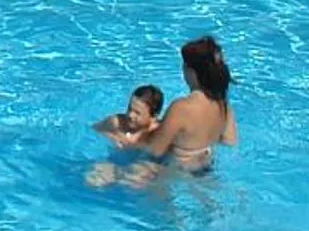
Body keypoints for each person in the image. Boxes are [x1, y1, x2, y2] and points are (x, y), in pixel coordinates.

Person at [140, 36, 238, 172]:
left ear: (191, 72)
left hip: (176, 174)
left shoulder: (181, 108)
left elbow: (154, 152)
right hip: (206, 173)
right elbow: (230, 143)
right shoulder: (224, 107)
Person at [93, 85, 165, 149]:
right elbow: (93, 130)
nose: (130, 115)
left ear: (153, 117)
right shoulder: (117, 122)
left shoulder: (157, 132)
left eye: (137, 113)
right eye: (129, 109)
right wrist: (113, 137)